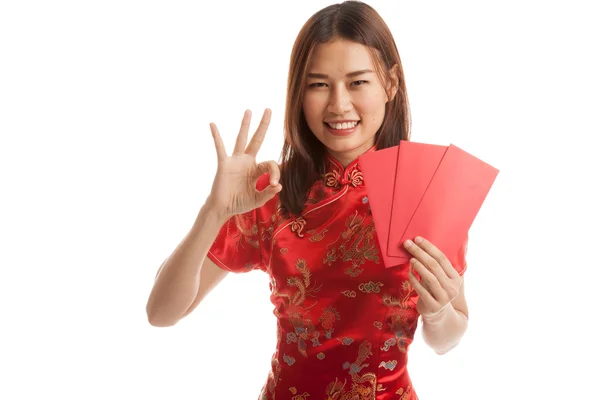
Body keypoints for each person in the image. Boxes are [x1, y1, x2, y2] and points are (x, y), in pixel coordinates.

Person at [146, 1, 470, 399]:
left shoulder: (425, 188)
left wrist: (437, 311)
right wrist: (213, 213)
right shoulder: (272, 191)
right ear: (298, 92)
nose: (338, 105)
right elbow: (161, 313)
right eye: (318, 84)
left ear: (391, 83)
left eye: (357, 82)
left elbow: (448, 338)